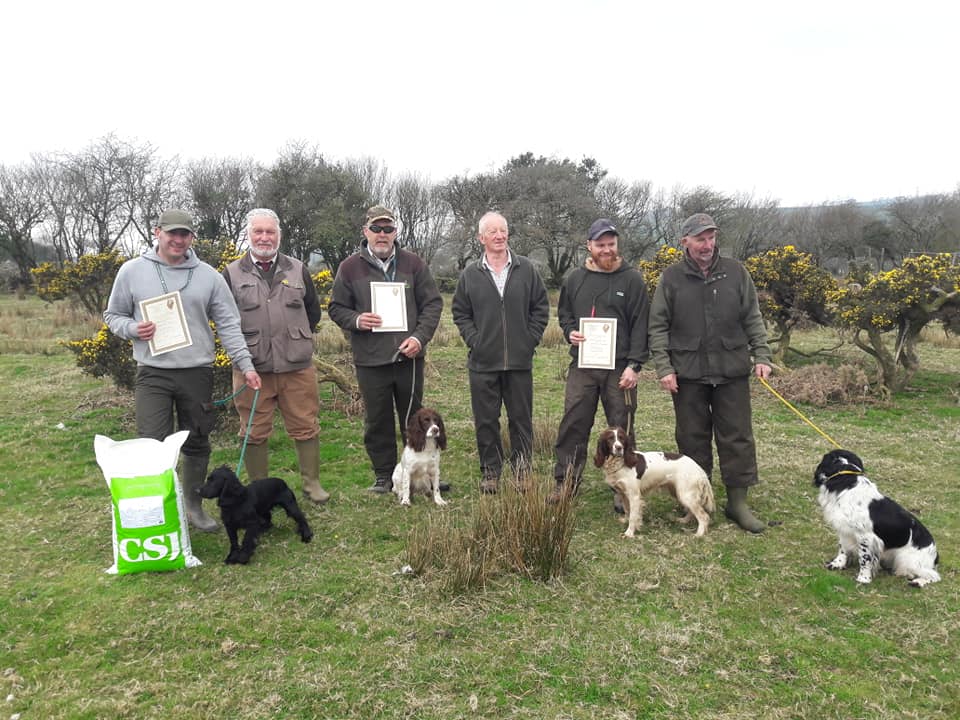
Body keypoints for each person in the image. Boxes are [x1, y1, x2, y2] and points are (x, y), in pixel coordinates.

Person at [103, 209, 261, 532]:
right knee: (151, 444)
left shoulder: (209, 276)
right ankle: (157, 510)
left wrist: (246, 365)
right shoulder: (132, 271)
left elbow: (229, 325)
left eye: (185, 234)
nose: (178, 240)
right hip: (152, 373)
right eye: (172, 233)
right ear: (157, 232)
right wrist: (133, 328)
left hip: (196, 372)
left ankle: (193, 507)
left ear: (191, 238)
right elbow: (112, 315)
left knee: (197, 441)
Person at [647, 213, 773, 533]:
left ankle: (737, 503)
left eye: (711, 238)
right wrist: (664, 367)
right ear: (685, 242)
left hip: (731, 370)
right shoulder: (671, 278)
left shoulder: (736, 272)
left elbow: (752, 318)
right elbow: (658, 326)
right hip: (687, 374)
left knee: (737, 437)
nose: (707, 245)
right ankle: (697, 498)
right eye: (700, 239)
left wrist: (762, 355)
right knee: (692, 438)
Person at [327, 205, 443, 493]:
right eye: (376, 229)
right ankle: (384, 476)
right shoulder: (349, 267)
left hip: (409, 357)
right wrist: (356, 319)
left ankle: (421, 473)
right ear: (365, 232)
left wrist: (419, 338)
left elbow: (432, 304)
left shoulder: (414, 264)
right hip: (370, 359)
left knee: (416, 419)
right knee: (377, 419)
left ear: (395, 232)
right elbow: (336, 307)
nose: (382, 234)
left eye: (388, 229)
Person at [222, 208, 329, 504]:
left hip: (297, 366)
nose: (265, 237)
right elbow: (224, 319)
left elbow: (312, 312)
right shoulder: (231, 273)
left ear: (279, 236)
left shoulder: (297, 268)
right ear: (248, 234)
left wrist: (293, 339)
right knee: (253, 430)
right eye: (259, 231)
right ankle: (260, 489)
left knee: (306, 423)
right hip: (251, 369)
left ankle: (312, 485)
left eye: (270, 232)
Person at [550, 219, 650, 502]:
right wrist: (570, 331)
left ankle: (624, 489)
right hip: (583, 365)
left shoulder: (632, 280)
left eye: (611, 244)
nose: (606, 250)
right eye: (600, 245)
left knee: (622, 426)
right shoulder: (575, 279)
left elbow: (642, 324)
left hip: (620, 368)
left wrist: (635, 365)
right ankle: (566, 483)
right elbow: (565, 313)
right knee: (573, 424)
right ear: (589, 246)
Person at [452, 211, 549, 493]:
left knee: (520, 420)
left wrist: (529, 340)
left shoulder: (526, 269)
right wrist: (474, 340)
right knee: (486, 421)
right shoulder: (470, 274)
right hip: (483, 362)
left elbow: (541, 308)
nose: (499, 235)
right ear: (481, 238)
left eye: (503, 230)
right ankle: (491, 472)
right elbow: (460, 312)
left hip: (519, 362)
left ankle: (521, 473)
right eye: (492, 231)